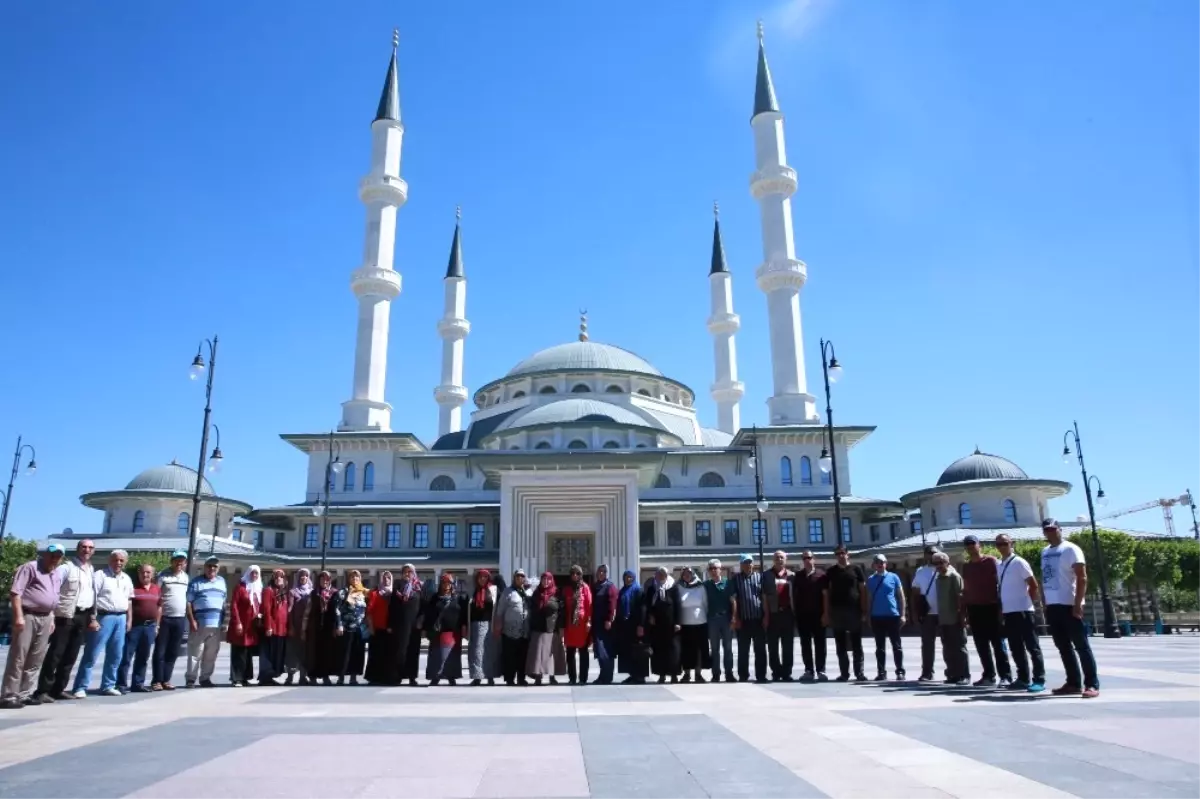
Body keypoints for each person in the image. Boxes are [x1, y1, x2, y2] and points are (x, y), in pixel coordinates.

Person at [1040, 519, 1099, 698]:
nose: (1050, 532)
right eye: (1047, 530)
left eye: (1053, 529)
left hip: (1069, 604)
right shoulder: (1045, 552)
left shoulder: (1071, 549)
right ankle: (1073, 682)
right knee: (1063, 646)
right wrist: (1044, 602)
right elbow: (1045, 578)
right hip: (1053, 605)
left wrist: (1078, 603)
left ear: (1060, 530)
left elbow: (1082, 577)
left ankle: (1092, 684)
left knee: (1081, 645)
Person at [1, 544, 65, 709]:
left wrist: (51, 618)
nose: (55, 558)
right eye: (52, 554)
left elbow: (53, 598)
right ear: (45, 554)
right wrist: (18, 616)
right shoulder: (30, 568)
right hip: (28, 615)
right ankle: (9, 695)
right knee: (18, 656)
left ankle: (25, 693)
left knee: (36, 658)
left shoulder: (56, 573)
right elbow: (16, 593)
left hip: (45, 617)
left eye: (58, 555)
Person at [34, 539, 94, 702]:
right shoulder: (66, 568)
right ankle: (42, 691)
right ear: (77, 549)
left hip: (83, 615)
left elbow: (90, 594)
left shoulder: (90, 569)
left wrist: (92, 616)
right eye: (84, 547)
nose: (86, 550)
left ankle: (58, 689)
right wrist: (52, 615)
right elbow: (54, 590)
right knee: (56, 654)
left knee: (71, 655)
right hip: (65, 615)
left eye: (90, 548)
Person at [72, 549, 133, 697]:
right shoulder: (100, 575)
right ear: (109, 561)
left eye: (121, 560)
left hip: (121, 617)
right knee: (92, 653)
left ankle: (108, 685)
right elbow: (93, 597)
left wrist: (129, 619)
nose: (118, 563)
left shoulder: (126, 578)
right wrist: (92, 618)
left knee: (116, 655)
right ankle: (80, 686)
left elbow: (129, 600)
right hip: (104, 617)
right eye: (115, 560)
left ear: (125, 562)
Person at [995, 534, 1046, 693]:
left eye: (1004, 543)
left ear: (1012, 544)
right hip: (1009, 611)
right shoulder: (1000, 564)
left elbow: (1033, 584)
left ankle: (1039, 679)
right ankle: (1023, 678)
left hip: (1023, 610)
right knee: (1015, 646)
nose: (1002, 547)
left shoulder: (1019, 562)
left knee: (1032, 646)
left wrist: (1031, 603)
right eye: (999, 544)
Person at [961, 535, 1013, 687]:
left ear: (979, 545)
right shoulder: (967, 566)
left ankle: (1005, 676)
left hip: (991, 607)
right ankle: (989, 675)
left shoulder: (991, 561)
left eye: (973, 544)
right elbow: (966, 589)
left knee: (998, 644)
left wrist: (1001, 607)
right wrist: (964, 612)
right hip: (974, 608)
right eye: (967, 545)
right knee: (981, 645)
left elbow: (1000, 583)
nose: (970, 547)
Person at [823, 545, 867, 682]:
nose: (840, 556)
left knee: (856, 644)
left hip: (854, 611)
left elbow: (863, 591)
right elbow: (827, 593)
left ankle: (859, 673)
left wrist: (864, 610)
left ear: (848, 554)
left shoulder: (856, 570)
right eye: (838, 554)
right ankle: (844, 673)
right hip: (837, 611)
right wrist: (827, 612)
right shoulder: (831, 571)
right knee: (840, 644)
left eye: (843, 553)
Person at [116, 563, 161, 693]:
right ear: (139, 573)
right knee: (126, 656)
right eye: (143, 572)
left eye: (148, 572)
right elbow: (128, 605)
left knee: (143, 657)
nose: (145, 575)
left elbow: (159, 607)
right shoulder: (133, 588)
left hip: (150, 626)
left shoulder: (156, 589)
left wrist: (157, 625)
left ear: (152, 574)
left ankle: (138, 683)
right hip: (135, 626)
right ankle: (121, 684)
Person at [185, 556, 227, 688]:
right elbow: (188, 603)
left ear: (218, 568)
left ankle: (205, 678)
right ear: (205, 567)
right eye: (209, 566)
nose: (212, 568)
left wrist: (225, 622)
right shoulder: (196, 582)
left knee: (211, 654)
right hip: (199, 624)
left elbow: (224, 604)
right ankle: (191, 679)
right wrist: (192, 621)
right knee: (195, 652)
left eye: (214, 566)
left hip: (216, 625)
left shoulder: (222, 582)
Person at [150, 550, 189, 691]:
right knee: (160, 651)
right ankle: (156, 680)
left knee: (173, 652)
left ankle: (166, 679)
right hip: (165, 618)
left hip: (179, 618)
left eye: (182, 560)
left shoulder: (186, 578)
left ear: (185, 563)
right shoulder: (163, 576)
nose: (179, 563)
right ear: (172, 561)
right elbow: (156, 597)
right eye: (177, 560)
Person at [866, 554, 905, 681]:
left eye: (882, 562)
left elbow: (901, 597)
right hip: (877, 616)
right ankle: (881, 672)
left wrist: (903, 614)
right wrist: (868, 615)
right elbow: (869, 599)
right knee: (880, 647)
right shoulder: (871, 579)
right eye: (877, 562)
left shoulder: (894, 577)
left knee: (897, 646)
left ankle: (900, 671)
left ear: (886, 563)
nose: (880, 564)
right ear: (874, 564)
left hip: (893, 615)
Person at [933, 551, 970, 686]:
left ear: (947, 562)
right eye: (936, 563)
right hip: (943, 619)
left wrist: (962, 617)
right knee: (947, 649)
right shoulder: (937, 579)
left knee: (959, 648)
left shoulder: (954, 576)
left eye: (941, 562)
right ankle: (952, 674)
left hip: (955, 618)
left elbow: (961, 597)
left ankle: (964, 675)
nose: (939, 566)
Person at [792, 550, 827, 682]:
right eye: (804, 558)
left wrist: (826, 613)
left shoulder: (821, 575)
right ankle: (809, 670)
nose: (807, 560)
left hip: (818, 615)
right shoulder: (799, 576)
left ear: (814, 559)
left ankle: (821, 670)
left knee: (820, 644)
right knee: (805, 644)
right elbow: (794, 596)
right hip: (803, 616)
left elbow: (826, 596)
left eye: (809, 557)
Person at [424, 573, 465, 686]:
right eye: (444, 582)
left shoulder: (457, 598)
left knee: (452, 656)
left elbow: (462, 615)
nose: (446, 585)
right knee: (437, 656)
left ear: (452, 585)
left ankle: (451, 677)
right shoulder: (434, 598)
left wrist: (463, 627)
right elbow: (429, 614)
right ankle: (435, 677)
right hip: (438, 632)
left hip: (453, 633)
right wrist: (427, 628)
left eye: (448, 583)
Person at [731, 555, 766, 683]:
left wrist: (766, 616)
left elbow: (764, 597)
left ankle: (761, 675)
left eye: (750, 562)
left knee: (760, 649)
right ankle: (743, 675)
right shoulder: (736, 579)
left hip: (758, 619)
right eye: (745, 563)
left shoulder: (760, 577)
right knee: (743, 650)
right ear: (741, 565)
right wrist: (736, 618)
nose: (748, 565)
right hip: (743, 620)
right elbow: (734, 599)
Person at [494, 569, 533, 686]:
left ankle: (521, 678)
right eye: (517, 576)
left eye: (522, 576)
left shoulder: (528, 592)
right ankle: (510, 678)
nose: (520, 578)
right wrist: (498, 626)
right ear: (514, 578)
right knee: (510, 657)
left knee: (522, 656)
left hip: (524, 630)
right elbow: (500, 611)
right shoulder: (507, 592)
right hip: (509, 631)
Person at [762, 550, 796, 682]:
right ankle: (776, 672)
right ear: (773, 560)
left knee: (788, 645)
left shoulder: (792, 576)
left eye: (781, 557)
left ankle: (787, 672)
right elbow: (764, 596)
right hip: (773, 614)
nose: (779, 559)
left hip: (788, 614)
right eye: (776, 557)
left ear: (786, 560)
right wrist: (766, 615)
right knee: (773, 646)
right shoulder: (766, 575)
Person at [526, 571, 565, 685]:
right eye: (544, 579)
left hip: (552, 629)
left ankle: (552, 677)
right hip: (538, 628)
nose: (546, 581)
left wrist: (561, 628)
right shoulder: (536, 593)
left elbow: (561, 612)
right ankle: (538, 676)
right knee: (538, 654)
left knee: (551, 654)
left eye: (548, 579)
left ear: (551, 580)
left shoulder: (557, 594)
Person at [227, 565, 263, 687]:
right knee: (238, 651)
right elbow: (234, 606)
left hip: (252, 627)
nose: (254, 576)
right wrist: (237, 622)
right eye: (252, 573)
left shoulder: (259, 588)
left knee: (248, 653)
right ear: (248, 573)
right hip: (241, 626)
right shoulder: (241, 587)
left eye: (257, 574)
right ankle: (237, 678)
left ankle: (245, 677)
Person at [909, 546, 941, 682]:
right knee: (927, 644)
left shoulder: (945, 569)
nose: (932, 555)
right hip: (927, 613)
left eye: (935, 553)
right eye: (929, 553)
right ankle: (927, 672)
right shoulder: (921, 571)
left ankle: (953, 672)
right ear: (925, 555)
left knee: (949, 643)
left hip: (944, 612)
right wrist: (915, 612)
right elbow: (915, 593)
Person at [645, 567, 681, 684]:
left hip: (671, 625)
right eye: (659, 574)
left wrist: (677, 622)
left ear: (667, 575)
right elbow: (648, 605)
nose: (661, 576)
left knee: (673, 650)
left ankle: (674, 675)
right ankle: (661, 674)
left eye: (663, 574)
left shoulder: (673, 587)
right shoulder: (652, 588)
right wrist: (650, 616)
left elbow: (678, 606)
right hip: (657, 625)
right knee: (659, 651)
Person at [702, 559, 736, 683]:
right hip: (712, 620)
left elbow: (733, 601)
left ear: (720, 569)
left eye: (715, 568)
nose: (713, 570)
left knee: (728, 648)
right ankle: (715, 674)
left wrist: (733, 617)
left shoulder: (728, 583)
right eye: (711, 568)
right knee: (714, 649)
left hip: (726, 619)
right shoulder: (706, 585)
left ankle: (729, 674)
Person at [390, 564, 424, 686]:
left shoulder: (419, 587)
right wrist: (391, 624)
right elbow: (392, 607)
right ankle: (398, 676)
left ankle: (412, 677)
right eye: (405, 571)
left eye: (410, 571)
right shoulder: (398, 586)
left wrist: (421, 620)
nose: (407, 574)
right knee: (400, 651)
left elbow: (424, 606)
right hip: (401, 624)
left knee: (413, 650)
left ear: (414, 573)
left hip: (415, 625)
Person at [304, 571, 340, 686]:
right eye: (322, 579)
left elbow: (338, 611)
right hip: (315, 627)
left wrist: (338, 625)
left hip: (329, 627)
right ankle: (313, 676)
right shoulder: (314, 593)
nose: (324, 581)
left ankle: (325, 676)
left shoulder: (334, 593)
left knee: (327, 652)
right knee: (314, 653)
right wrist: (304, 628)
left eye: (326, 579)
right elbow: (308, 611)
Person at [334, 569, 369, 685]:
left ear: (360, 579)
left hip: (360, 628)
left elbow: (368, 609)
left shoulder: (364, 593)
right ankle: (341, 677)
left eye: (357, 577)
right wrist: (339, 624)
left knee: (357, 653)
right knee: (345, 653)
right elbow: (337, 609)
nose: (355, 579)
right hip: (347, 627)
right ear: (349, 579)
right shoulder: (344, 592)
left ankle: (353, 677)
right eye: (352, 577)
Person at [676, 566, 709, 683]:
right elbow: (677, 605)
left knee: (699, 650)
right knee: (686, 650)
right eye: (684, 574)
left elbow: (705, 604)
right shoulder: (679, 587)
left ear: (693, 574)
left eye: (689, 573)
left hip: (700, 623)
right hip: (685, 624)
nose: (687, 576)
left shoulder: (700, 586)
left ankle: (698, 674)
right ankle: (687, 674)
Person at [466, 569, 500, 686]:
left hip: (490, 625)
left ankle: (490, 676)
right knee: (476, 652)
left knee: (490, 652)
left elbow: (499, 608)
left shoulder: (493, 591)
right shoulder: (473, 591)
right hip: (475, 625)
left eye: (485, 577)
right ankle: (477, 677)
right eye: (480, 577)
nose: (482, 579)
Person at [259, 569, 291, 686]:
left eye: (281, 577)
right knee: (269, 653)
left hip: (282, 629)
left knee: (277, 654)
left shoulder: (283, 592)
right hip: (272, 628)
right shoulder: (269, 590)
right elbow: (266, 610)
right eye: (276, 577)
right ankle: (265, 677)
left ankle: (272, 676)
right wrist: (268, 626)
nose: (279, 579)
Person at [562, 565, 593, 685]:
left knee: (583, 652)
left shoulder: (585, 588)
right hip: (570, 626)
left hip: (582, 626)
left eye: (577, 573)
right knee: (570, 653)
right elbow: (563, 607)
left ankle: (583, 678)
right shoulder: (567, 589)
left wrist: (589, 621)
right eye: (573, 573)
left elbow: (589, 606)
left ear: (581, 575)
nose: (575, 575)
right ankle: (572, 678)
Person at [614, 569, 646, 684]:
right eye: (626, 577)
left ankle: (640, 675)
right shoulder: (623, 590)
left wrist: (641, 625)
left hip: (635, 626)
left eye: (630, 577)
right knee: (629, 652)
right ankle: (632, 674)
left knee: (638, 652)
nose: (628, 579)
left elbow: (642, 608)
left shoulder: (638, 590)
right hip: (625, 626)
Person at [364, 571, 394, 684]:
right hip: (377, 629)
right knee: (375, 654)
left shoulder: (394, 594)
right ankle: (374, 677)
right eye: (384, 577)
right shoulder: (375, 593)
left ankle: (387, 677)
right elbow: (369, 611)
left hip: (390, 629)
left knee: (388, 654)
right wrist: (371, 627)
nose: (386, 579)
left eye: (388, 577)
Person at [590, 565, 618, 685]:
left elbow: (612, 605)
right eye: (599, 571)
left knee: (606, 651)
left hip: (606, 624)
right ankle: (603, 675)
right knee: (599, 652)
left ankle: (607, 677)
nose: (601, 573)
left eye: (603, 572)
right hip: (596, 623)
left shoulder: (610, 587)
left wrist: (609, 620)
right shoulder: (595, 586)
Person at [285, 568, 313, 685]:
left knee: (305, 652)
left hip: (307, 628)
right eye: (301, 576)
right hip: (295, 626)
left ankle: (303, 676)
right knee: (292, 652)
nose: (303, 578)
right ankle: (290, 676)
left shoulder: (312, 591)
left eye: (306, 576)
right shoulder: (293, 592)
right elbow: (290, 609)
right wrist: (290, 626)